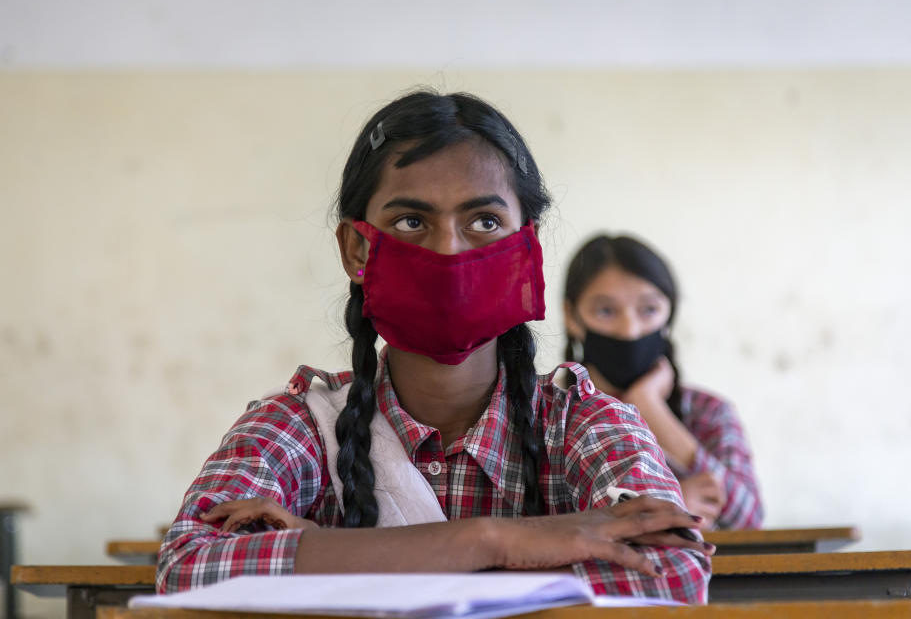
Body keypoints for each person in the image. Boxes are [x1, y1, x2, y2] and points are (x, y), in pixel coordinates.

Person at [156, 91, 711, 603]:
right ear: (356, 249)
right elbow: (189, 563)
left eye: (485, 220)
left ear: (527, 249)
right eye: (412, 220)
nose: (448, 252)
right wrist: (492, 541)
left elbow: (674, 570)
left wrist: (341, 557)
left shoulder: (582, 423)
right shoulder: (303, 423)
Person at [562, 235, 763, 530]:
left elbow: (749, 522)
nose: (629, 330)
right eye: (606, 311)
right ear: (572, 317)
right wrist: (668, 501)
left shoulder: (708, 411)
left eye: (649, 310)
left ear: (670, 313)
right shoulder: (546, 414)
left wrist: (649, 408)